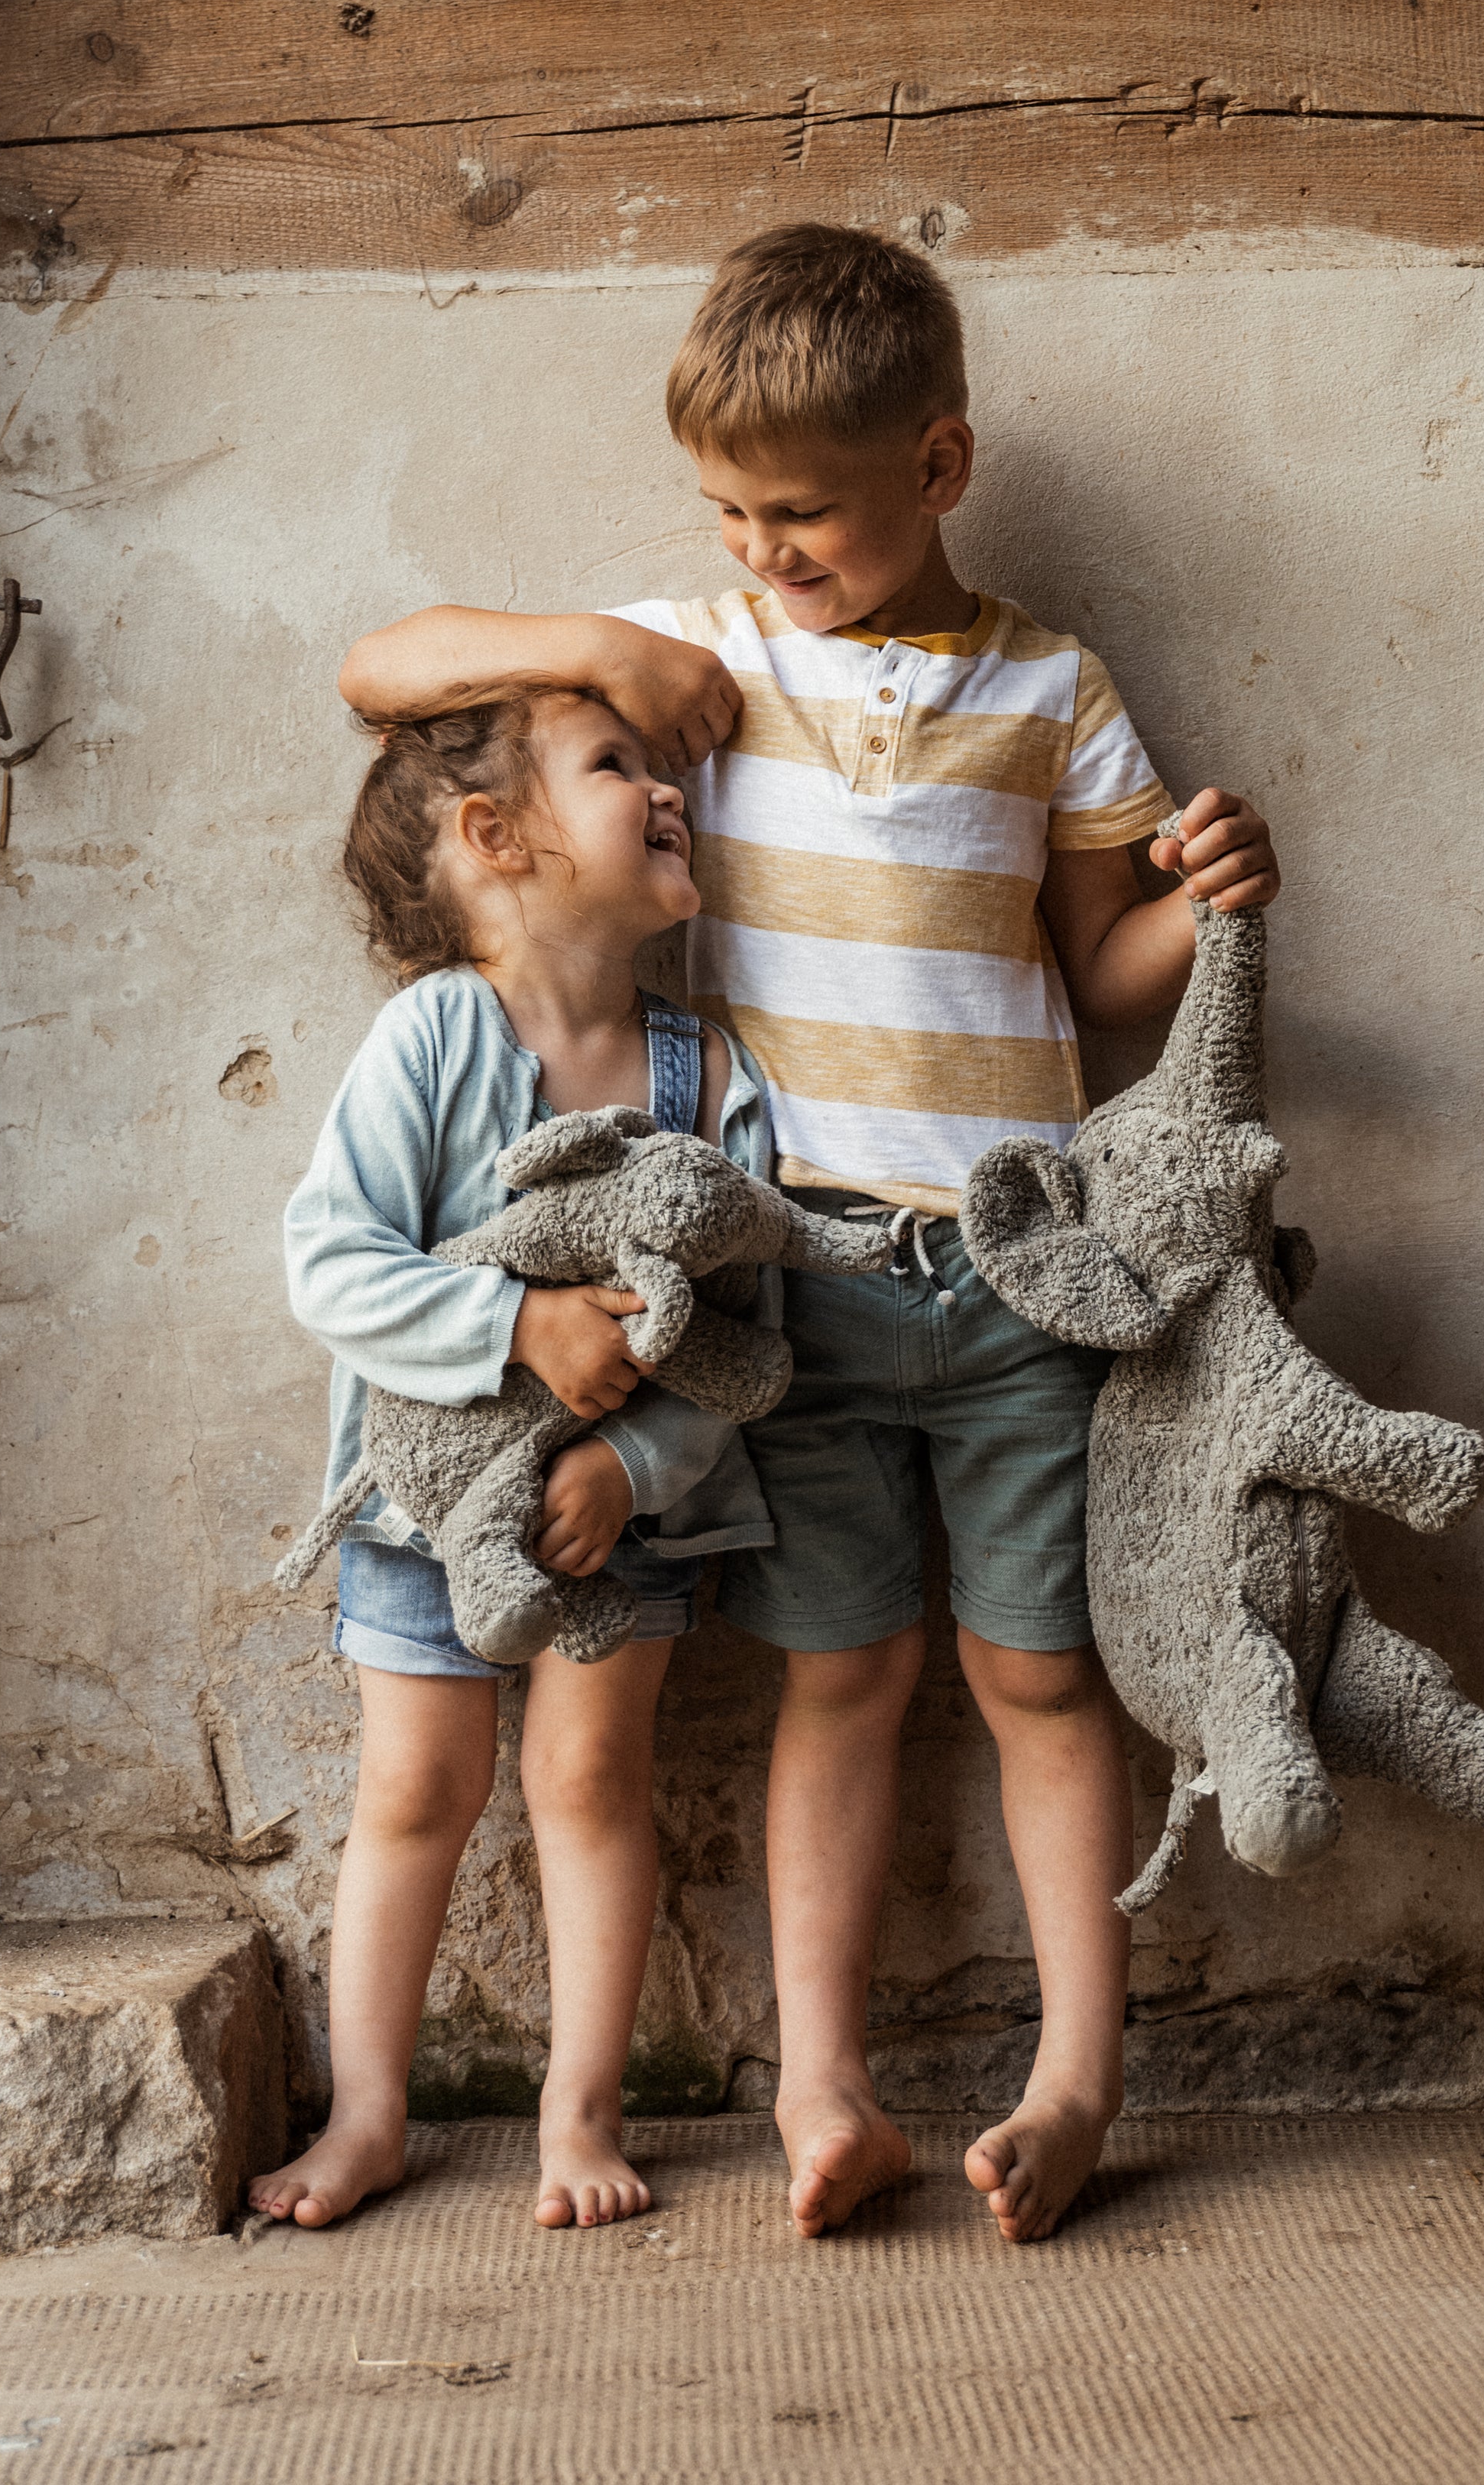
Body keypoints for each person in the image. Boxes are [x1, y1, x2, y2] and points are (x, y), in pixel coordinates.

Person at [339, 223, 1281, 2245]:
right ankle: (824, 2092)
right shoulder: (702, 665)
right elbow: (385, 666)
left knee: (1044, 1678)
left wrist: (1202, 897)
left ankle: (1078, 2080)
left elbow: (1099, 979)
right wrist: (603, 654)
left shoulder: (1055, 688)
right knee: (837, 1681)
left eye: (806, 515)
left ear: (937, 468)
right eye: (730, 514)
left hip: (1023, 1269)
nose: (766, 550)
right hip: (792, 1288)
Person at [252, 688, 782, 2232]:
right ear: (495, 838)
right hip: (426, 1506)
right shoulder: (432, 1038)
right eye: (617, 767)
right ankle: (369, 2113)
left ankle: (584, 2107)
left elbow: (742, 1345)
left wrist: (637, 1469)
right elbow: (331, 1265)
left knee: (590, 1777)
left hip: (622, 1520)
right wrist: (516, 1327)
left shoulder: (706, 1078)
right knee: (417, 1784)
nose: (666, 788)